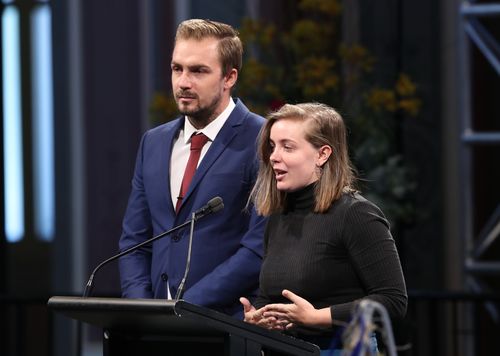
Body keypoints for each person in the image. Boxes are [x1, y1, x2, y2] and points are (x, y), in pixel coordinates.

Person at [118, 19, 266, 317]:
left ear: (229, 77)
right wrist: (144, 311)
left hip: (226, 323)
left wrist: (184, 308)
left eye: (198, 71)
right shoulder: (153, 143)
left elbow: (257, 248)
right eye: (177, 69)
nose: (183, 82)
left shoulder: (262, 139)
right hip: (157, 327)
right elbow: (135, 241)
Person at [239, 103, 407, 353]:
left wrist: (318, 317)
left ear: (322, 154)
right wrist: (259, 317)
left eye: (288, 147)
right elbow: (272, 295)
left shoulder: (356, 214)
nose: (274, 156)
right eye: (272, 146)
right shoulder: (278, 217)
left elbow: (392, 302)